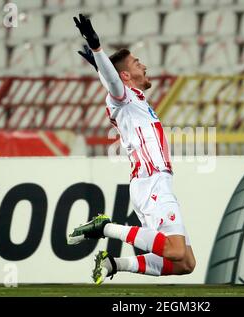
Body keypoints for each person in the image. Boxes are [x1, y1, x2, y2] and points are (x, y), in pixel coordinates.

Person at [67, 14, 195, 285]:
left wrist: (101, 68)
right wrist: (96, 47)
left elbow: (114, 81)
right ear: (125, 74)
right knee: (174, 250)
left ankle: (114, 263)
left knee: (185, 263)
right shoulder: (122, 97)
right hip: (151, 182)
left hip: (158, 181)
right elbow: (114, 85)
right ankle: (105, 227)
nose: (144, 65)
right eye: (138, 63)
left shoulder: (135, 99)